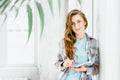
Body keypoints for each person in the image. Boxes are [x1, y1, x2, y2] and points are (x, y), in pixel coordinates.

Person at [55, 9, 99, 80]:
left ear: (84, 22)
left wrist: (84, 69)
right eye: (73, 23)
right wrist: (64, 63)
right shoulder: (63, 42)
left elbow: (96, 69)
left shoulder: (93, 43)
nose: (76, 26)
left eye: (79, 21)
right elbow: (57, 64)